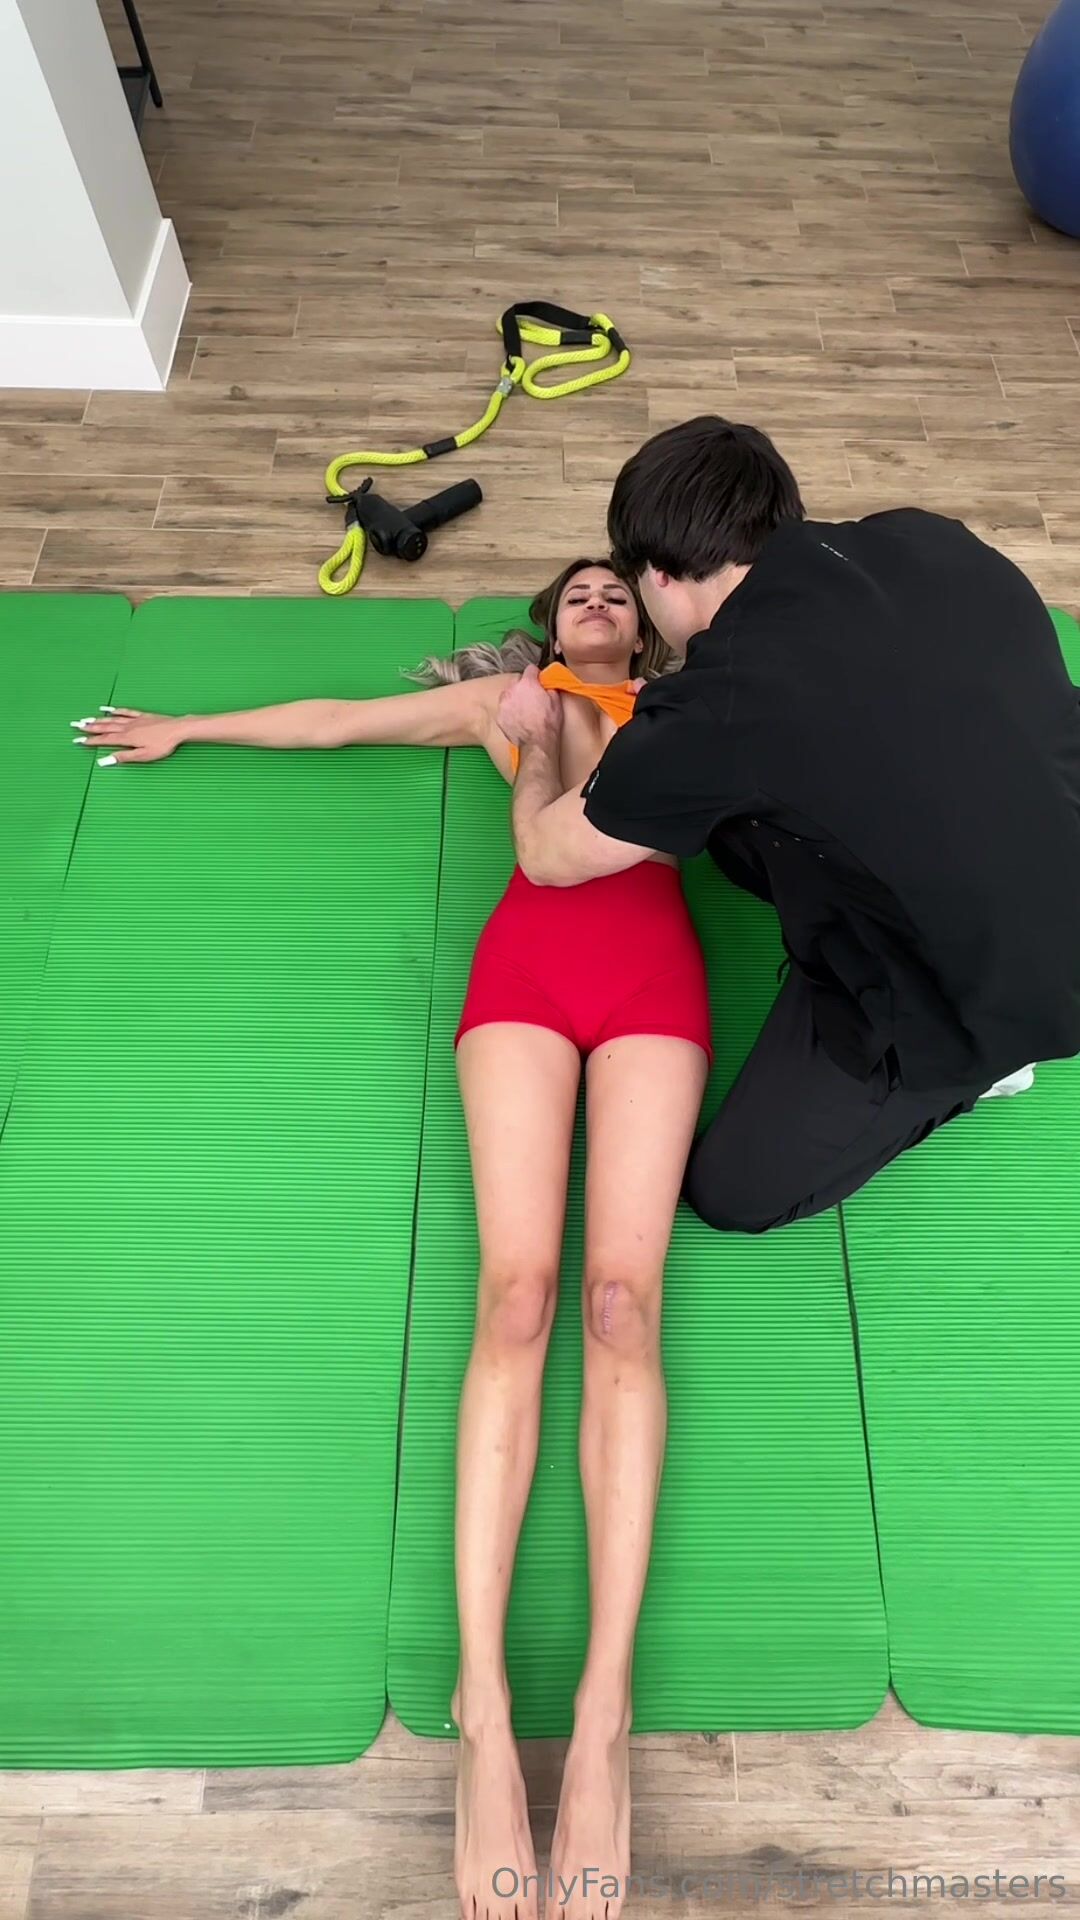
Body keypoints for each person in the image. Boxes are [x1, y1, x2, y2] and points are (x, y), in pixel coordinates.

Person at [72, 558, 714, 1920]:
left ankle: (603, 1716)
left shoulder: (697, 707)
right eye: (578, 589)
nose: (599, 596)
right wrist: (192, 727)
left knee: (622, 1306)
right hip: (526, 979)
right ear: (547, 622)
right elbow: (337, 721)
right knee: (517, 1301)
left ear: (651, 620)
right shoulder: (505, 707)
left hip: (654, 982)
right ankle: (483, 1707)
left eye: (617, 586)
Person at [499, 416, 1080, 1235]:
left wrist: (534, 739)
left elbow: (545, 854)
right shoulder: (931, 539)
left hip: (990, 987)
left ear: (656, 575)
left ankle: (982, 1069)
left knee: (733, 1192)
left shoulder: (717, 707)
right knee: (739, 822)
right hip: (1053, 845)